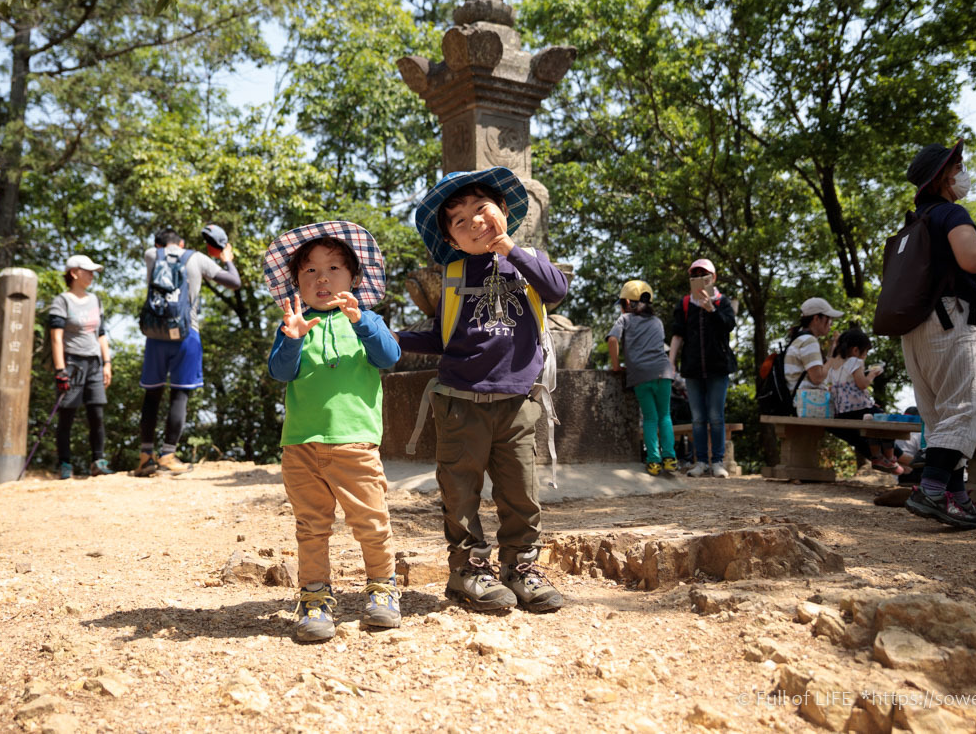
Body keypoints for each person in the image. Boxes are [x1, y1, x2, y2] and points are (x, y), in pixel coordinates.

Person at [398, 167, 567, 614]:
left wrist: (511, 250)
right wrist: (389, 337)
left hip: (517, 402)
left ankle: (521, 568)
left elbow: (556, 290)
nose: (473, 221)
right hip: (459, 401)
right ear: (451, 241)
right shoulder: (453, 275)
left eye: (481, 209)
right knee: (460, 491)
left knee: (520, 491)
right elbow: (440, 338)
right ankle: (468, 570)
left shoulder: (528, 260)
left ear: (504, 212)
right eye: (459, 220)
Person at [265, 222, 402, 643]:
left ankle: (382, 589)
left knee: (371, 522)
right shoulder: (294, 322)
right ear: (296, 283)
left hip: (355, 442)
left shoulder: (367, 319)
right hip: (301, 445)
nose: (322, 278)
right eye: (309, 271)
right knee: (310, 525)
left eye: (334, 268)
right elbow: (280, 371)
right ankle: (314, 597)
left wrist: (362, 322)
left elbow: (390, 356)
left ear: (355, 279)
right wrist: (291, 339)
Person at [900, 139, 976, 530]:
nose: (963, 174)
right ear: (942, 178)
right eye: (958, 168)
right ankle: (932, 491)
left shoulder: (915, 220)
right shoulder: (952, 213)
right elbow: (972, 259)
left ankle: (957, 498)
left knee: (940, 416)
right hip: (953, 320)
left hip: (916, 325)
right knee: (966, 410)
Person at [135, 224, 241, 477]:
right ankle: (168, 455)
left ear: (159, 245)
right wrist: (226, 259)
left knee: (152, 395)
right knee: (179, 395)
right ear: (181, 243)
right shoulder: (197, 258)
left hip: (155, 334)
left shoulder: (152, 254)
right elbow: (234, 282)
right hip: (186, 333)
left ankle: (144, 457)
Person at [667, 258, 737, 478]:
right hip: (693, 368)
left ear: (713, 278)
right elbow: (678, 333)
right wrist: (671, 361)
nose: (698, 278)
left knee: (716, 416)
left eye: (703, 274)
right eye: (694, 274)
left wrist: (711, 309)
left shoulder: (722, 302)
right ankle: (701, 462)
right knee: (697, 418)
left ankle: (717, 461)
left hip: (718, 367)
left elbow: (728, 326)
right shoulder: (685, 304)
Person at [47, 255, 113, 479]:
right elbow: (56, 338)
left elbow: (101, 333)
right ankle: (65, 464)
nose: (92, 275)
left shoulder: (95, 300)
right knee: (67, 415)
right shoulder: (62, 301)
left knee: (97, 414)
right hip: (71, 363)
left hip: (94, 362)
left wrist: (107, 363)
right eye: (88, 271)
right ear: (74, 273)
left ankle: (98, 461)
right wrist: (60, 370)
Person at [607, 280, 676, 476]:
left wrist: (615, 365)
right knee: (665, 416)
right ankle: (670, 458)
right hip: (664, 372)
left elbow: (613, 339)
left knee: (650, 418)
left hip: (641, 375)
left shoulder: (625, 320)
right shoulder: (657, 322)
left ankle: (653, 461)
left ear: (627, 302)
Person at [825, 328, 898, 473]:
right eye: (865, 353)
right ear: (856, 350)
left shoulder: (833, 363)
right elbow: (862, 384)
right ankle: (888, 457)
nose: (865, 357)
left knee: (871, 419)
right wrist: (871, 375)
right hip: (858, 409)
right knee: (884, 419)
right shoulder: (854, 361)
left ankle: (877, 456)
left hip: (842, 411)